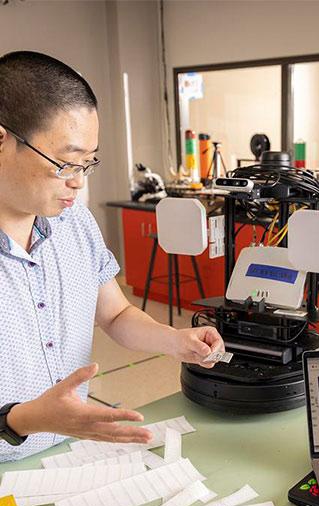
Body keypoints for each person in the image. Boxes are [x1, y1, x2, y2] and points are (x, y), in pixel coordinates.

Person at [0, 51, 224, 462]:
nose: (77, 183)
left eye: (87, 163)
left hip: (68, 458)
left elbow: (116, 315)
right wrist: (25, 419)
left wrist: (176, 341)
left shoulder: (76, 222)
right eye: (64, 163)